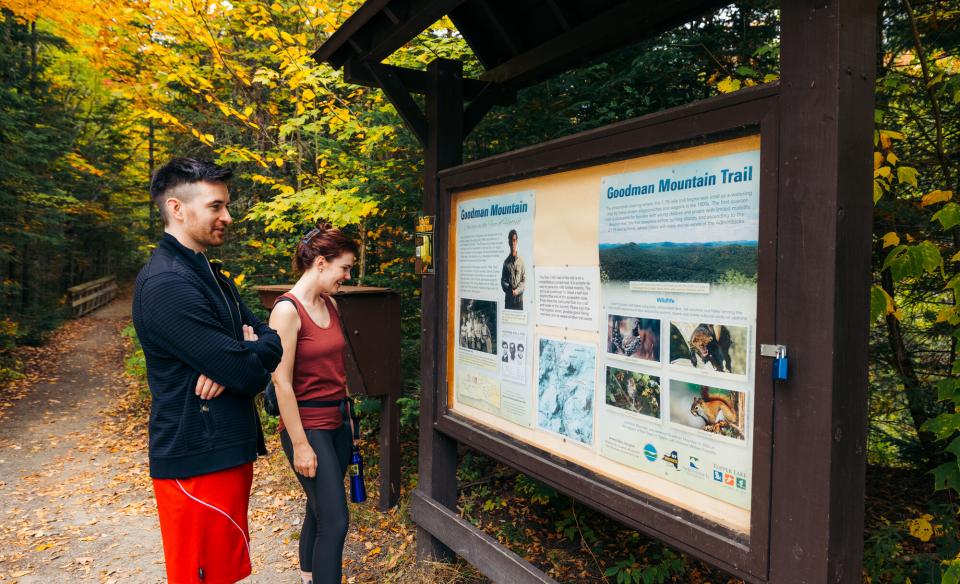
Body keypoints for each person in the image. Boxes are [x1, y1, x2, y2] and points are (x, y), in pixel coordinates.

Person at [132, 158, 283, 584]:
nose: (227, 217)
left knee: (225, 572)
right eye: (216, 206)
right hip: (195, 458)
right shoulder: (168, 283)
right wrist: (242, 356)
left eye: (226, 206)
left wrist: (246, 353)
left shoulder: (209, 274)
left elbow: (270, 337)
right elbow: (249, 374)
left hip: (224, 449)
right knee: (201, 577)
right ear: (177, 208)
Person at [269, 224, 360, 584]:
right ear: (321, 263)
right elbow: (281, 381)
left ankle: (308, 577)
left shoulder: (331, 305)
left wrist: (350, 421)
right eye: (345, 268)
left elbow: (338, 371)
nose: (348, 276)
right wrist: (302, 445)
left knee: (318, 510)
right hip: (307, 428)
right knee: (336, 522)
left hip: (337, 422)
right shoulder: (287, 311)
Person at [500, 229, 526, 310]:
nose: (512, 243)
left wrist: (517, 291)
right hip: (509, 301)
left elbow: (524, 280)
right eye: (511, 240)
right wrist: (509, 289)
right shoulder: (506, 262)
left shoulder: (521, 261)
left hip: (519, 301)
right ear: (508, 242)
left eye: (514, 240)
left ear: (517, 241)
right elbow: (503, 281)